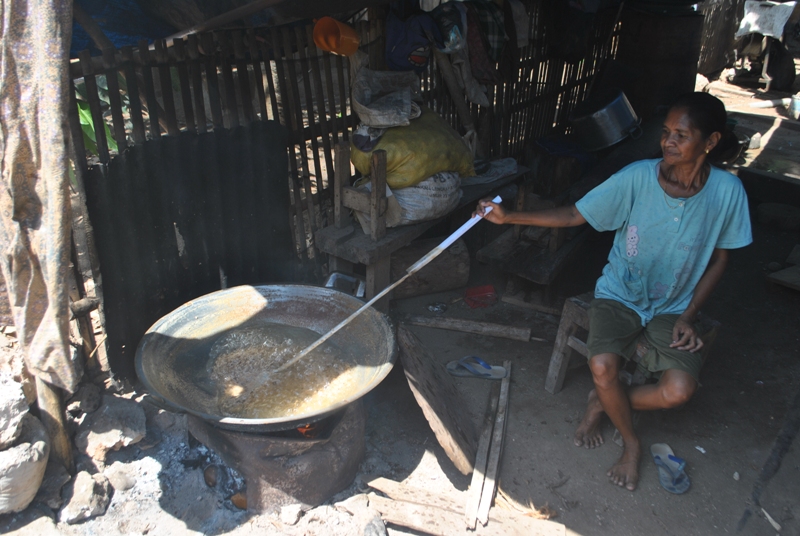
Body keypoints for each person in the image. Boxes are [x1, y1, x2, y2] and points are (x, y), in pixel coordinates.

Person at [474, 92, 752, 491]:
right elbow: (574, 214)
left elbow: (720, 260)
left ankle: (602, 401)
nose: (668, 142)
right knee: (602, 366)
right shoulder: (638, 177)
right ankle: (632, 443)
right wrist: (508, 216)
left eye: (682, 135)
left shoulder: (727, 193)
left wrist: (689, 316)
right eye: (666, 133)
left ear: (710, 142)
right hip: (620, 293)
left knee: (678, 392)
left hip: (673, 305)